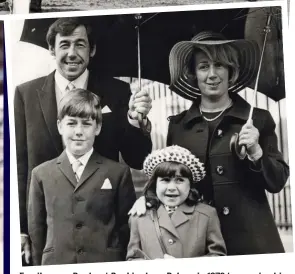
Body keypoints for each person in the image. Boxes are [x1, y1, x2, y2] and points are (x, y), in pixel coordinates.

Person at [130, 31, 289, 255]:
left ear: (231, 71)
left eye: (220, 65)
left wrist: (256, 152)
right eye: (204, 66)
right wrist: (146, 202)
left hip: (252, 241)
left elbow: (277, 182)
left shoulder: (258, 119)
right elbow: (171, 179)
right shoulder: (179, 126)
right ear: (194, 74)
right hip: (196, 243)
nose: (212, 74)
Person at [14, 17, 152, 264]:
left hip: (103, 237)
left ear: (92, 50)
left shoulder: (118, 92)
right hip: (51, 237)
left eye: (80, 44)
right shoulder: (26, 94)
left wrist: (134, 121)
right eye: (64, 44)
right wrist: (21, 228)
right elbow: (20, 166)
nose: (72, 53)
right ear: (52, 50)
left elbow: (138, 159)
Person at [28, 89, 136, 265]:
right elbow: (37, 229)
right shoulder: (41, 174)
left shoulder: (118, 173)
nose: (79, 131)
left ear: (98, 127)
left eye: (86, 124)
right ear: (59, 126)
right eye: (71, 123)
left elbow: (126, 228)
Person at [126, 145, 226, 260]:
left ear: (190, 185)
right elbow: (132, 258)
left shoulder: (207, 215)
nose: (172, 187)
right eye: (165, 180)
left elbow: (218, 257)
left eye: (180, 180)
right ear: (155, 184)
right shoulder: (139, 218)